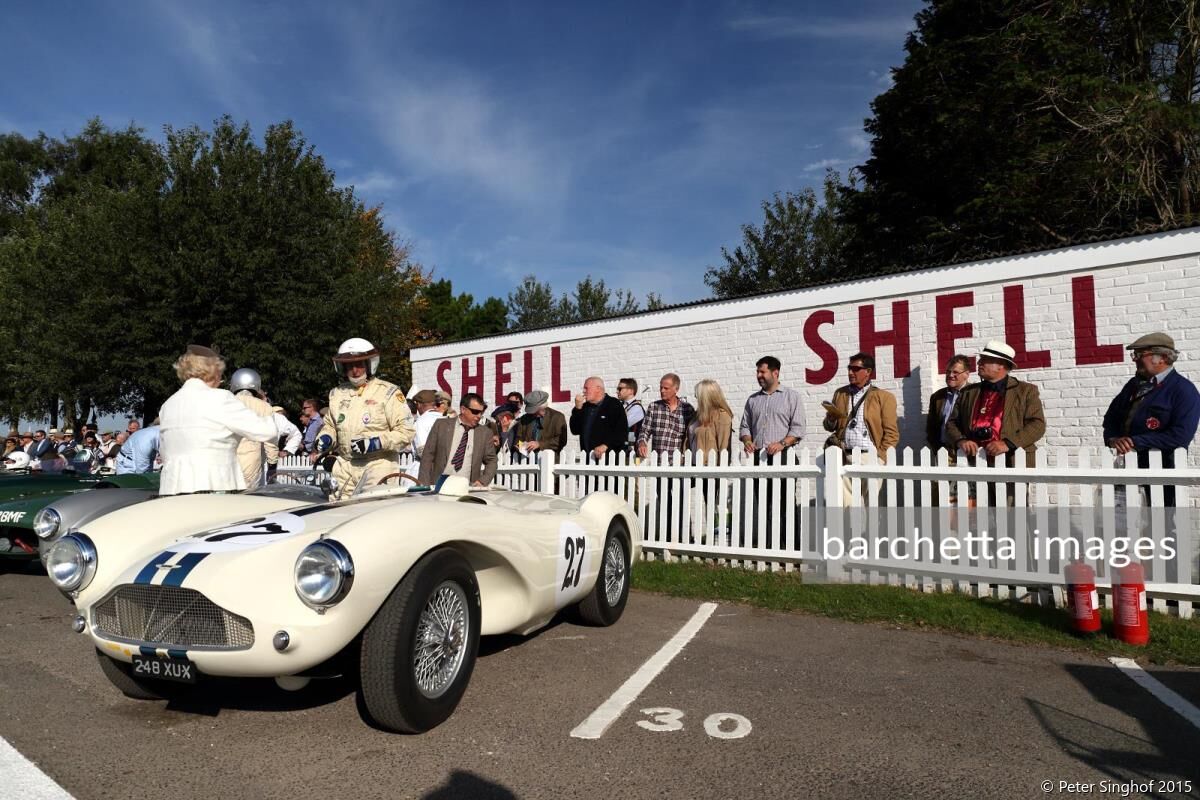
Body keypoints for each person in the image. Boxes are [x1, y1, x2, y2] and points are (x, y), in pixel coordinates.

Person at [157, 345, 278, 495]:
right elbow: (268, 431)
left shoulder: (168, 405)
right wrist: (264, 405)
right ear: (213, 373)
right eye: (221, 373)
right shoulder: (221, 398)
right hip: (213, 487)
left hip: (170, 488)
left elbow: (164, 450)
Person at [945, 340, 1046, 508]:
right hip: (974, 464)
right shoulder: (968, 392)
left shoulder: (1026, 391)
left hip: (1011, 463)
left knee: (1014, 517)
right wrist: (961, 440)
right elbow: (951, 424)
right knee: (980, 519)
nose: (978, 363)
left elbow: (1037, 425)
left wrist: (1007, 443)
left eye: (984, 360)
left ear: (1001, 365)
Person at [1103, 332, 1199, 507]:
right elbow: (1110, 419)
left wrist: (1134, 441)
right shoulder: (1133, 386)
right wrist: (1113, 439)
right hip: (1127, 468)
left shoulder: (1183, 390)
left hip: (1164, 471)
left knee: (1162, 525)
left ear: (1161, 357)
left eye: (1139, 355)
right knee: (1123, 525)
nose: (1135, 359)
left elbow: (1180, 435)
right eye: (1135, 355)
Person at [312, 337, 415, 500]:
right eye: (349, 365)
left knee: (373, 514)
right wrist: (326, 437)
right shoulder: (337, 394)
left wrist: (376, 443)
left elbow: (406, 432)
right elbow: (330, 425)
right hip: (345, 465)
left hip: (378, 465)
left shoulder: (388, 392)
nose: (355, 370)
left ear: (369, 364)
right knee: (337, 513)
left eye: (359, 364)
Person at [738, 356, 808, 547]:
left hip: (783, 457)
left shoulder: (792, 397)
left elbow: (799, 429)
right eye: (757, 372)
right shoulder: (752, 400)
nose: (758, 375)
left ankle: (790, 547)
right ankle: (770, 547)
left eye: (762, 371)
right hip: (758, 459)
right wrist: (747, 440)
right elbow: (744, 427)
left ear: (775, 373)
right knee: (764, 505)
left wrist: (782, 444)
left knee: (785, 505)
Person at [417, 393, 497, 487]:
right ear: (463, 409)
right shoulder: (441, 425)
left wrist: (483, 481)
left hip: (467, 490)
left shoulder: (484, 433)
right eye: (475, 412)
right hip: (439, 487)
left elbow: (492, 460)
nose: (479, 416)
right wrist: (424, 485)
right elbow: (427, 456)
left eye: (481, 412)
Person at [229, 367, 279, 489]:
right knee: (247, 501)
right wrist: (272, 466)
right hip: (251, 462)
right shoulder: (263, 406)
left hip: (226, 460)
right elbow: (270, 439)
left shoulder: (225, 402)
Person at [637, 373, 695, 459]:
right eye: (661, 387)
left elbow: (691, 436)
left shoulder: (687, 409)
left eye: (666, 388)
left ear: (676, 389)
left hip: (679, 463)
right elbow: (644, 431)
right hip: (657, 461)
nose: (662, 391)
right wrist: (642, 442)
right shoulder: (654, 407)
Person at [571, 377, 628, 461]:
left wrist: (606, 445)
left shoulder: (613, 405)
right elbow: (575, 430)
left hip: (608, 459)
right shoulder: (585, 407)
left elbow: (621, 431)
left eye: (586, 388)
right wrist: (577, 408)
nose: (584, 391)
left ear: (598, 389)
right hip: (588, 459)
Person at [404, 389, 445, 480]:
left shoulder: (420, 422)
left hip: (422, 471)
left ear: (419, 404)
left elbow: (422, 452)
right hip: (444, 471)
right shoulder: (446, 420)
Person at [514, 390, 568, 457]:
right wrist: (523, 447)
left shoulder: (557, 417)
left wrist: (539, 444)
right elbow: (517, 440)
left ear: (543, 406)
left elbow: (561, 440)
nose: (532, 413)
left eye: (535, 410)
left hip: (550, 462)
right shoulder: (524, 419)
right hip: (528, 462)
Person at [617, 378, 645, 454]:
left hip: (632, 451)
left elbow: (621, 425)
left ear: (631, 391)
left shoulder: (637, 407)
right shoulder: (621, 406)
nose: (617, 391)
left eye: (620, 389)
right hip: (621, 449)